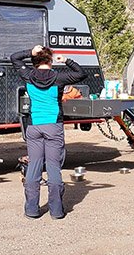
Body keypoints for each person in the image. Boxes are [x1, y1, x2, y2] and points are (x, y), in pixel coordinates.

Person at [10, 45, 86, 220]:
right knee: (53, 167)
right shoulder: (59, 77)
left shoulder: (28, 75)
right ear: (50, 60)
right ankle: (56, 211)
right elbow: (81, 73)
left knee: (34, 166)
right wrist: (66, 60)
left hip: (34, 126)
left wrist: (30, 52)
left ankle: (31, 210)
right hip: (53, 126)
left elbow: (14, 57)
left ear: (34, 60)